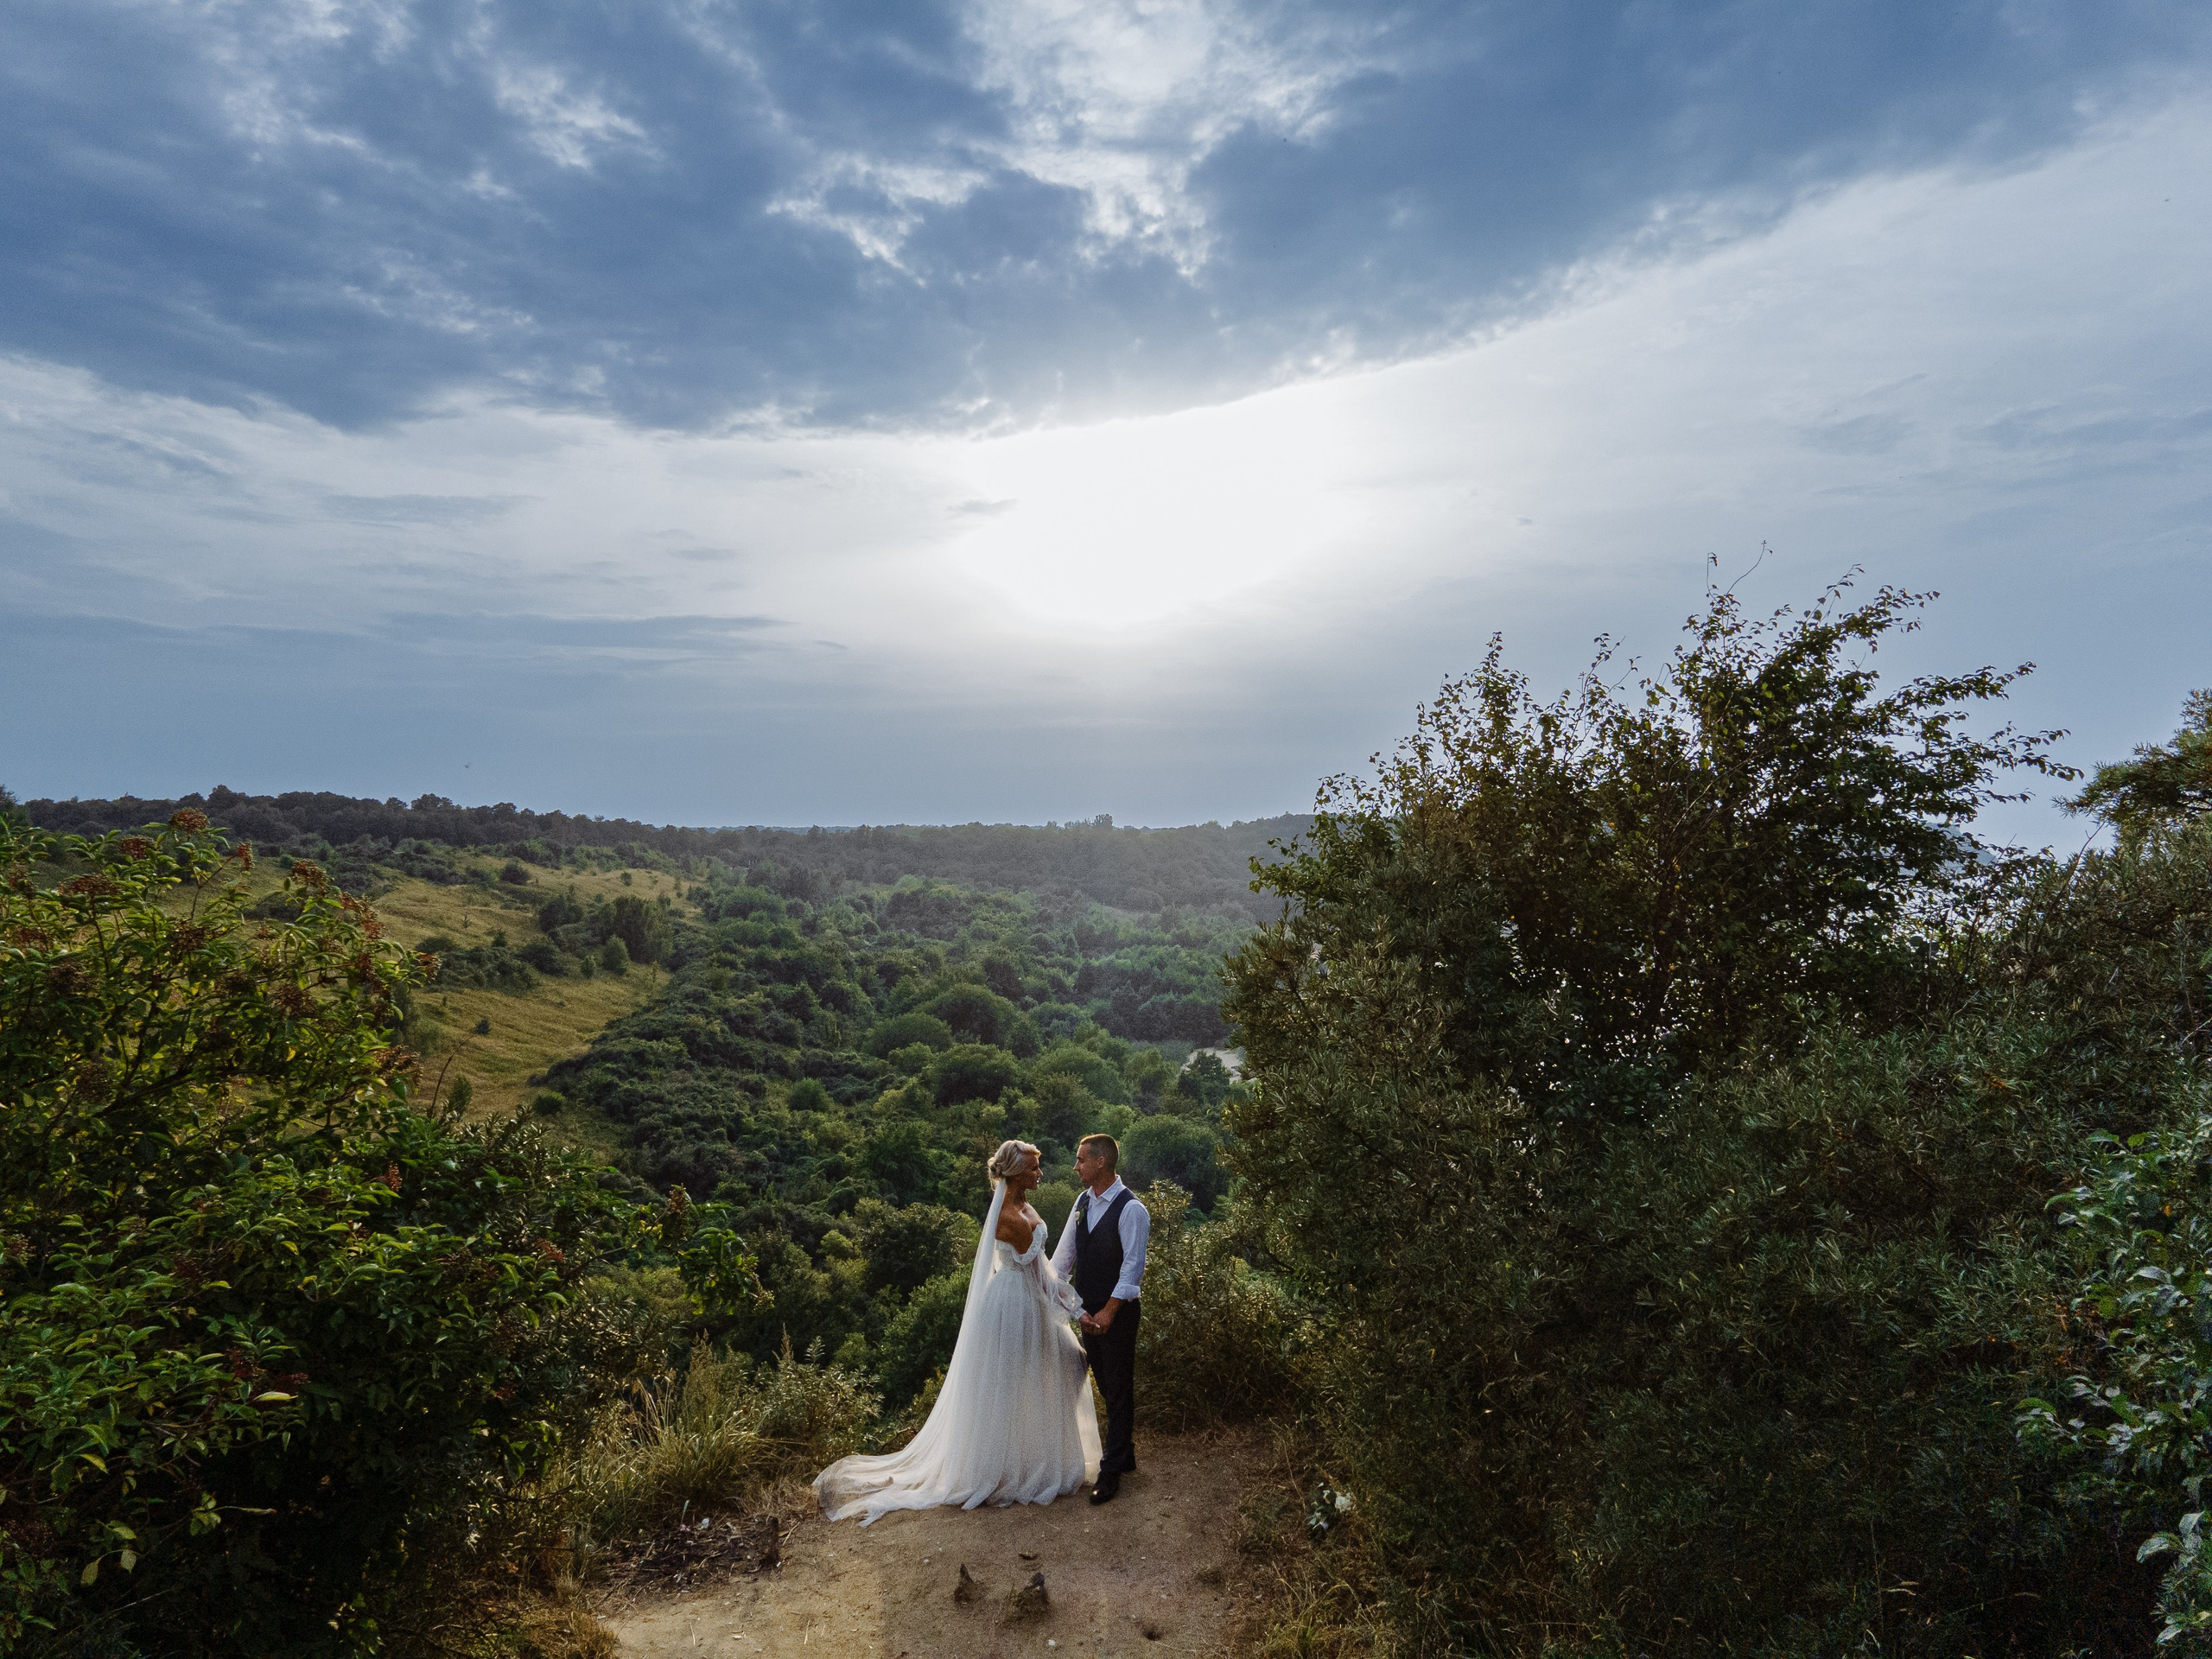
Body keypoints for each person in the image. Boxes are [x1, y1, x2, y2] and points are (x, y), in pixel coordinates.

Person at [812, 1140, 1099, 1524]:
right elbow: (1040, 1274)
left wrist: (1073, 1307)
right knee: (1011, 1385)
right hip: (1014, 1305)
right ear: (1015, 1173)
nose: (1040, 1173)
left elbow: (1044, 1270)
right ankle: (1001, 1469)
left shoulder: (1024, 1207)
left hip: (1028, 1299)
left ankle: (1033, 1457)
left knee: (1060, 1367)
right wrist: (1075, 1309)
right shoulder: (1008, 1218)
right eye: (1034, 1167)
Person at [1050, 1132, 1149, 1504]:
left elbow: (1132, 1269)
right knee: (1106, 1384)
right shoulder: (1082, 1202)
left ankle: (1111, 1472)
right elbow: (1064, 1257)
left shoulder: (1131, 1209)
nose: (1075, 1166)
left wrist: (1108, 1311)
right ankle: (1125, 1455)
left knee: (1119, 1385)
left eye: (1080, 1160)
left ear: (1101, 1163)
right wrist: (1067, 1302)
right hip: (1087, 1312)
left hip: (1118, 1314)